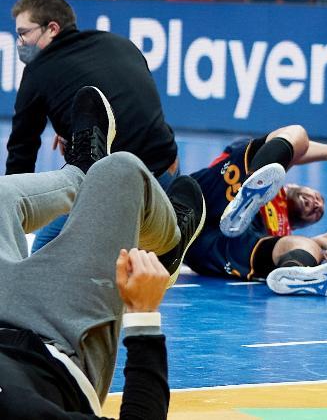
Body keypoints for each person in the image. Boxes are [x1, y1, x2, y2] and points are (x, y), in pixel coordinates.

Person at [0, 87, 205, 419]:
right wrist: (144, 316)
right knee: (121, 173)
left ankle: (79, 172)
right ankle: (167, 251)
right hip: (60, 342)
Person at [9, 0, 180, 253]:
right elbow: (135, 107)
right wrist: (73, 127)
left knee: (42, 255)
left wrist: (12, 214)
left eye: (24, 33)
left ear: (52, 28)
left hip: (118, 194)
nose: (20, 42)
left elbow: (21, 153)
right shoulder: (119, 43)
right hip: (168, 175)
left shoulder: (37, 72)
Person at [183, 124, 327, 296]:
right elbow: (295, 150)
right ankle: (249, 193)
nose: (317, 204)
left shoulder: (284, 232)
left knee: (308, 246)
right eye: (317, 197)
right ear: (291, 185)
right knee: (297, 133)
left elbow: (289, 244)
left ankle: (293, 274)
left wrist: (320, 244)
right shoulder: (273, 175)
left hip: (222, 245)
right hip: (209, 197)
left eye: (318, 212)